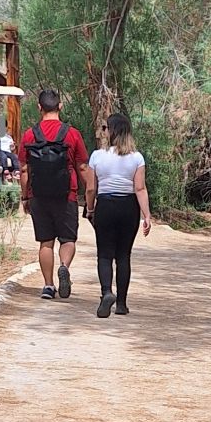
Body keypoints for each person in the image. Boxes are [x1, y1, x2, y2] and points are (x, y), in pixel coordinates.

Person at [18, 90, 91, 300]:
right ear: (60, 107)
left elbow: (24, 170)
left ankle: (48, 286)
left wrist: (25, 197)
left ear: (39, 108)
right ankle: (64, 267)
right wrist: (89, 193)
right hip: (66, 194)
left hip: (38, 195)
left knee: (46, 242)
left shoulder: (30, 134)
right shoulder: (72, 133)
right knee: (67, 239)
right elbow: (83, 166)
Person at [85, 113, 152, 318]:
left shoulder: (97, 156)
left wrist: (90, 209)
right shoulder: (137, 157)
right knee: (123, 255)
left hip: (105, 205)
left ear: (111, 131)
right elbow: (140, 188)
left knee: (105, 254)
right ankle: (121, 303)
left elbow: (90, 188)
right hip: (128, 207)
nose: (103, 131)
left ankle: (107, 292)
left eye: (105, 128)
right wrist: (146, 216)